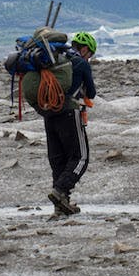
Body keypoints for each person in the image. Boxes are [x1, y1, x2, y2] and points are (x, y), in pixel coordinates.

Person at [45, 31, 98, 216]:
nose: (89, 57)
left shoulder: (55, 60)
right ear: (84, 49)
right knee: (80, 157)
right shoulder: (81, 63)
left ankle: (61, 204)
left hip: (49, 112)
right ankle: (60, 191)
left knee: (58, 159)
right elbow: (91, 93)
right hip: (69, 112)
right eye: (90, 53)